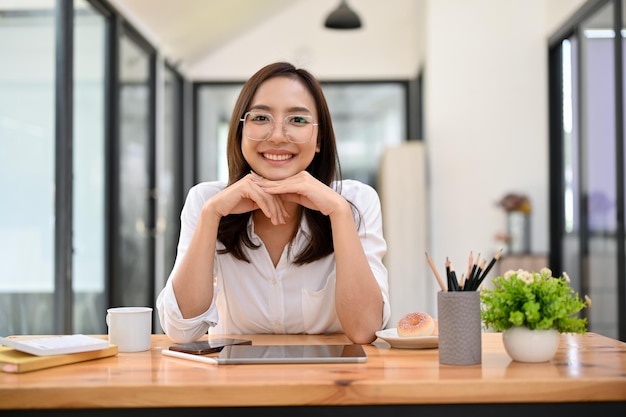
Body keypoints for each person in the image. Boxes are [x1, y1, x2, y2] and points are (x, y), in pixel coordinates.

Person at [157, 62, 390, 344]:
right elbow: (182, 331)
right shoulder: (207, 201)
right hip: (234, 383)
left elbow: (364, 330)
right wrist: (211, 215)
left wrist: (339, 213)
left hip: (332, 383)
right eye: (261, 118)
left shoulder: (355, 201)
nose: (278, 136)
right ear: (240, 132)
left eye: (298, 120)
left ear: (319, 140)